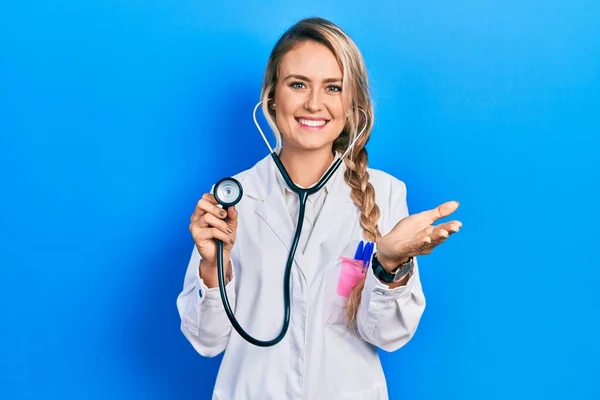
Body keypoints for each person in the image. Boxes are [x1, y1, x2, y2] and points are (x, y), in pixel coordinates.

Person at [177, 17, 462, 400]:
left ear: (351, 104)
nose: (314, 103)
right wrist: (213, 267)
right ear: (272, 97)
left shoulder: (387, 192)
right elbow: (207, 340)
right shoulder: (232, 198)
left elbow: (389, 335)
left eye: (333, 87)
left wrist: (389, 265)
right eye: (298, 85)